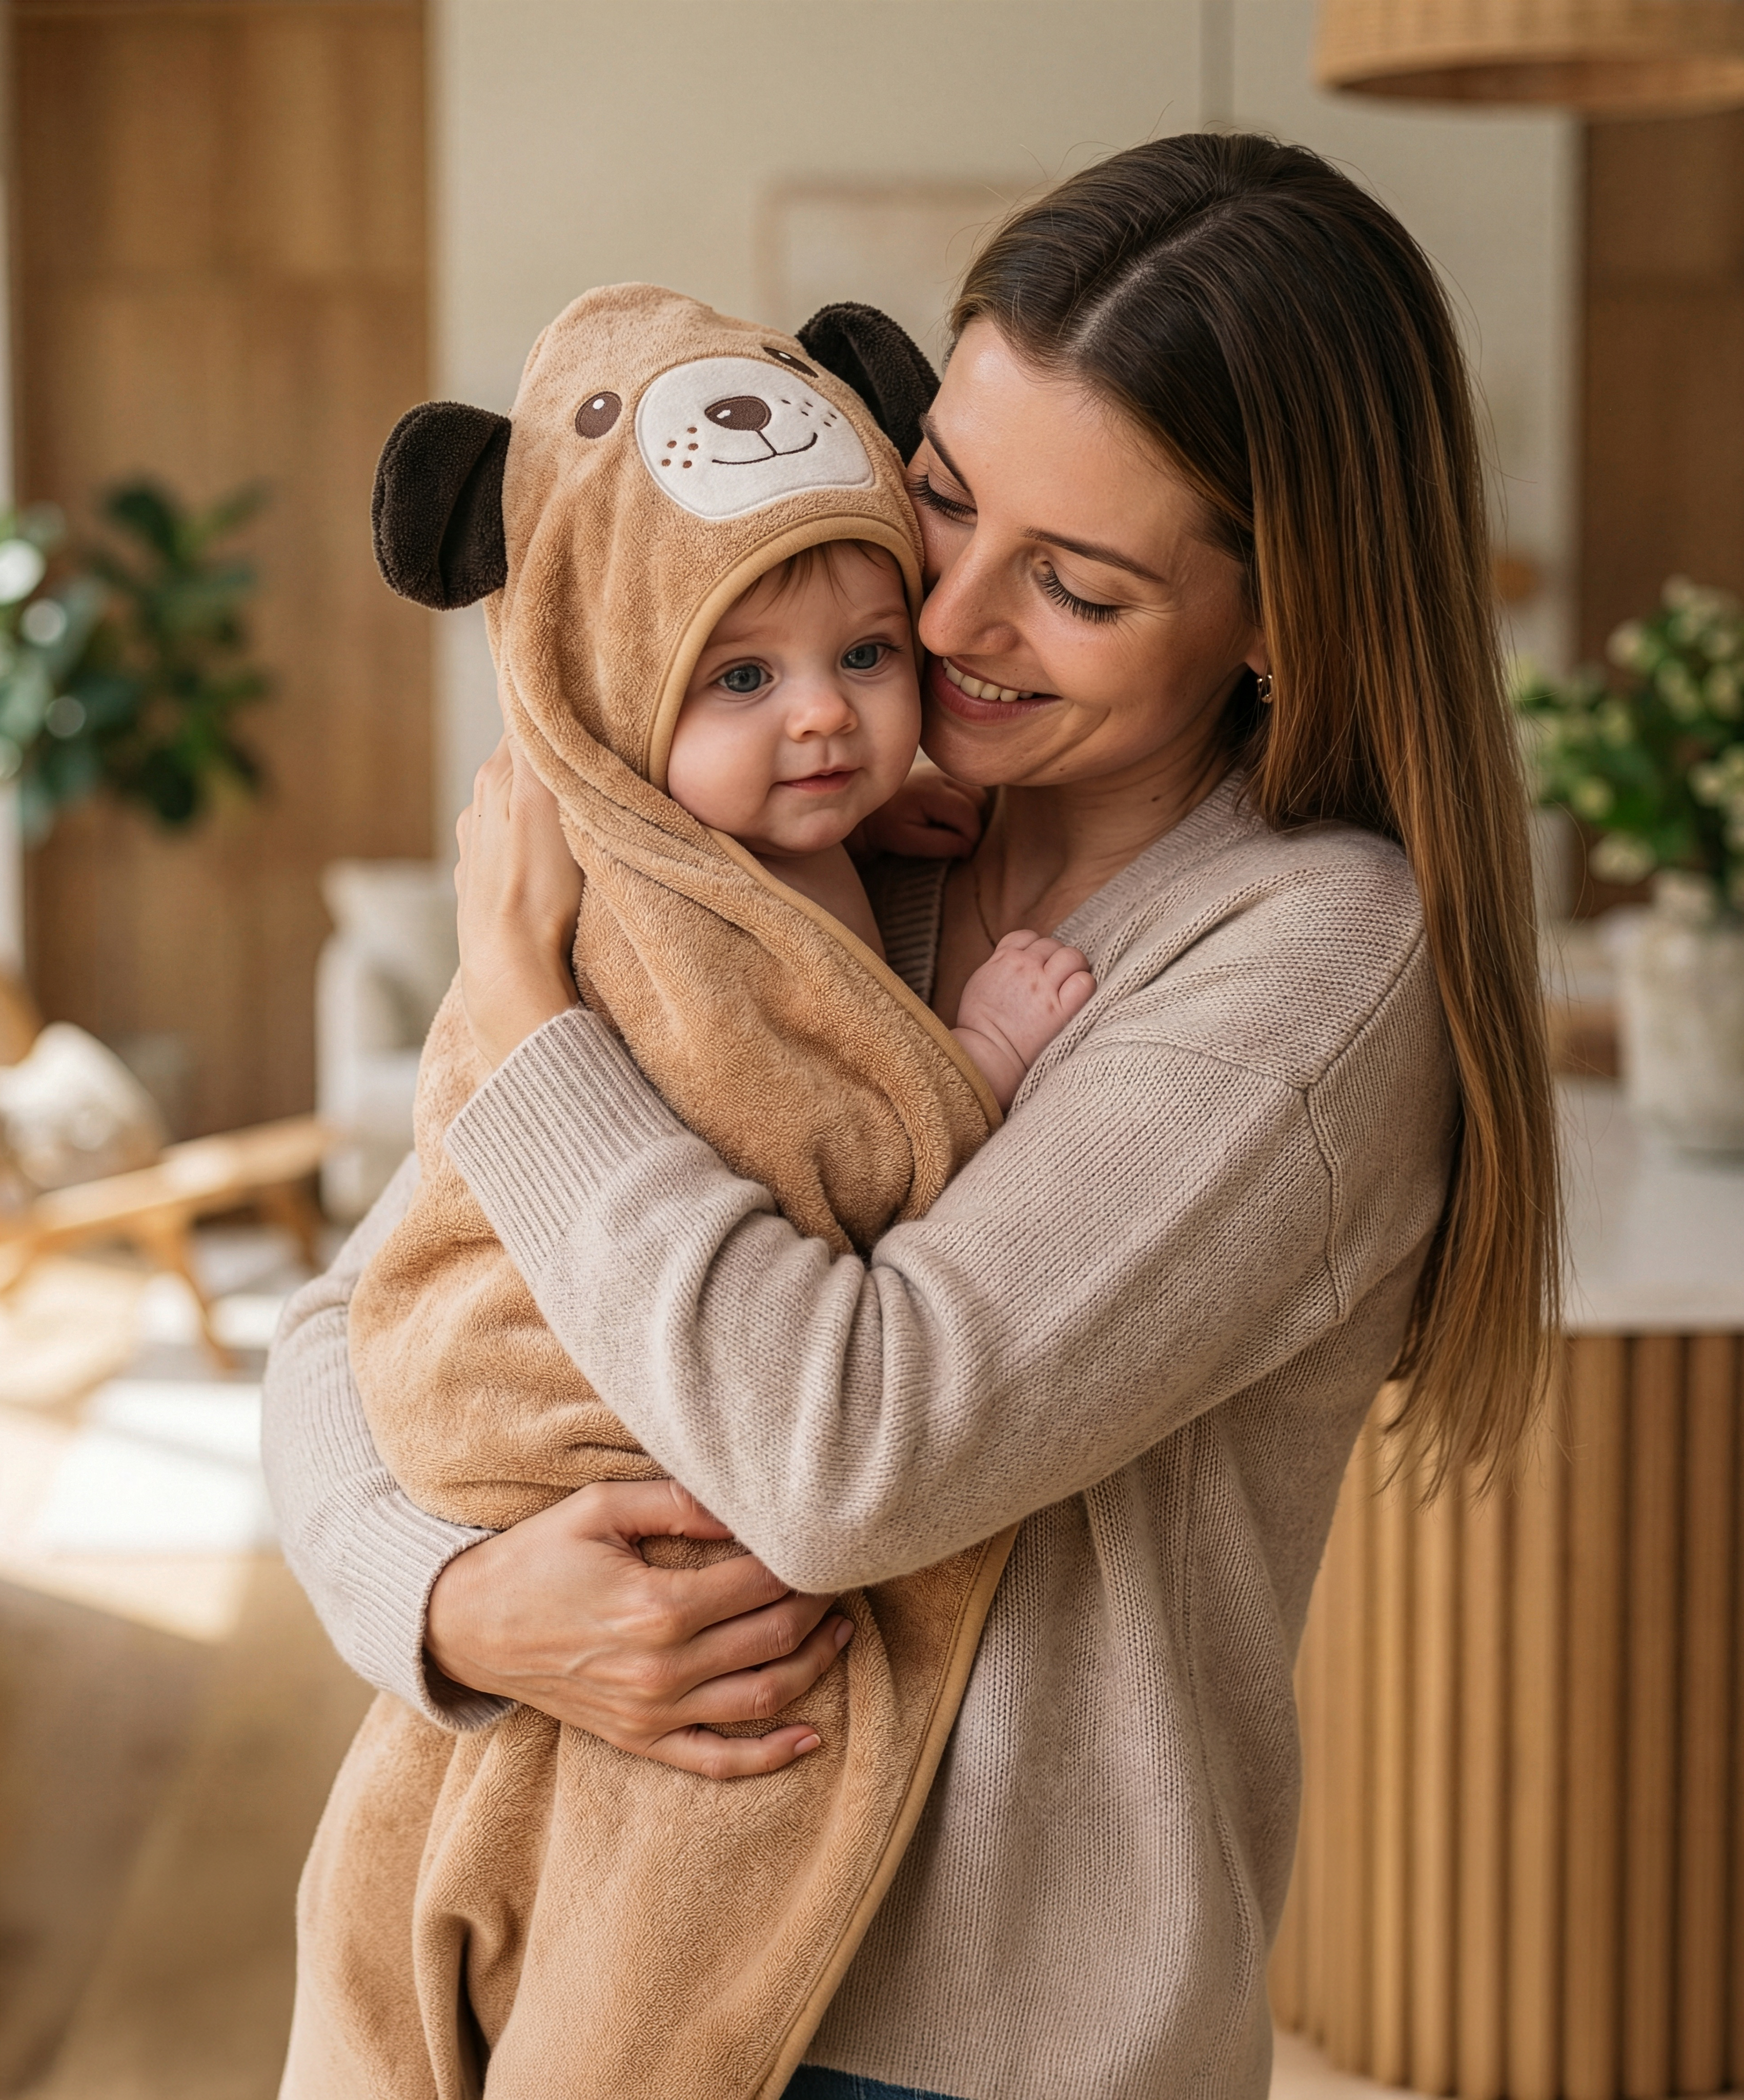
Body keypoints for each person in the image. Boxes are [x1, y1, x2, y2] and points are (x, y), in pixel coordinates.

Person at [265, 132, 1559, 2100]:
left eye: (1075, 585)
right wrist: (448, 1601)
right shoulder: (801, 847)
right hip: (572, 1946)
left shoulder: (1311, 964)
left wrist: (528, 1020)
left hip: (968, 2048)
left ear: (1277, 619)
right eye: (940, 496)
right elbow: (347, 1320)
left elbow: (851, 1452)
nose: (945, 619)